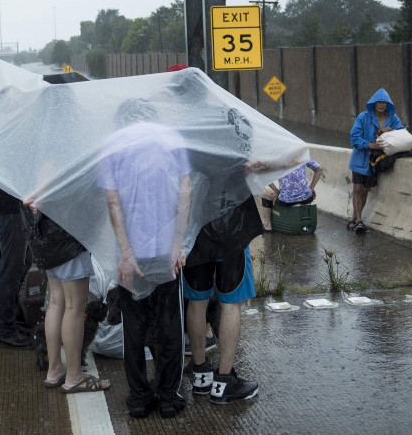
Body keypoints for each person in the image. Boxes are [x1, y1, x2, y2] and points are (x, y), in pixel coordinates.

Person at [168, 67, 262, 405]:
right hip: (233, 223)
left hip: (196, 226)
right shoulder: (229, 118)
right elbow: (250, 155)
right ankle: (224, 381)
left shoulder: (176, 128)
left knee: (197, 300)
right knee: (231, 302)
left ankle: (201, 375)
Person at [99, 98, 191, 418]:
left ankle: (139, 399)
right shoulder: (172, 139)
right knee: (169, 327)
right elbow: (185, 192)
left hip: (131, 256)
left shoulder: (112, 145)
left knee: (134, 330)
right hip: (165, 253)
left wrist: (125, 251)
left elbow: (113, 202)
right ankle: (168, 397)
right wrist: (178, 245)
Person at [22, 201, 111, 393]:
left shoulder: (37, 173)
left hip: (43, 237)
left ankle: (54, 369)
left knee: (56, 302)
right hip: (66, 236)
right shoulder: (63, 171)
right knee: (74, 307)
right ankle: (74, 376)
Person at [0, 179, 35, 348]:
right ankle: (4, 328)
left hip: (15, 206)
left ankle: (10, 320)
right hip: (8, 208)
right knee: (12, 268)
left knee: (23, 263)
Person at [348, 88, 404, 234]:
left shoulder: (393, 119)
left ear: (388, 105)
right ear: (373, 104)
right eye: (378, 102)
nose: (381, 105)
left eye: (384, 103)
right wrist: (369, 144)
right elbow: (354, 138)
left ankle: (353, 219)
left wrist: (390, 132)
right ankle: (360, 221)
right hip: (360, 160)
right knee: (357, 189)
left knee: (365, 190)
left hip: (376, 161)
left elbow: (401, 135)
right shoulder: (363, 117)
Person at [261, 159, 323, 231]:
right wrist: (311, 188)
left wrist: (277, 192)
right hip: (306, 197)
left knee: (265, 192)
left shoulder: (278, 159)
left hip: (286, 200)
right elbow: (319, 169)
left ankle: (268, 225)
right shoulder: (303, 156)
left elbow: (264, 175)